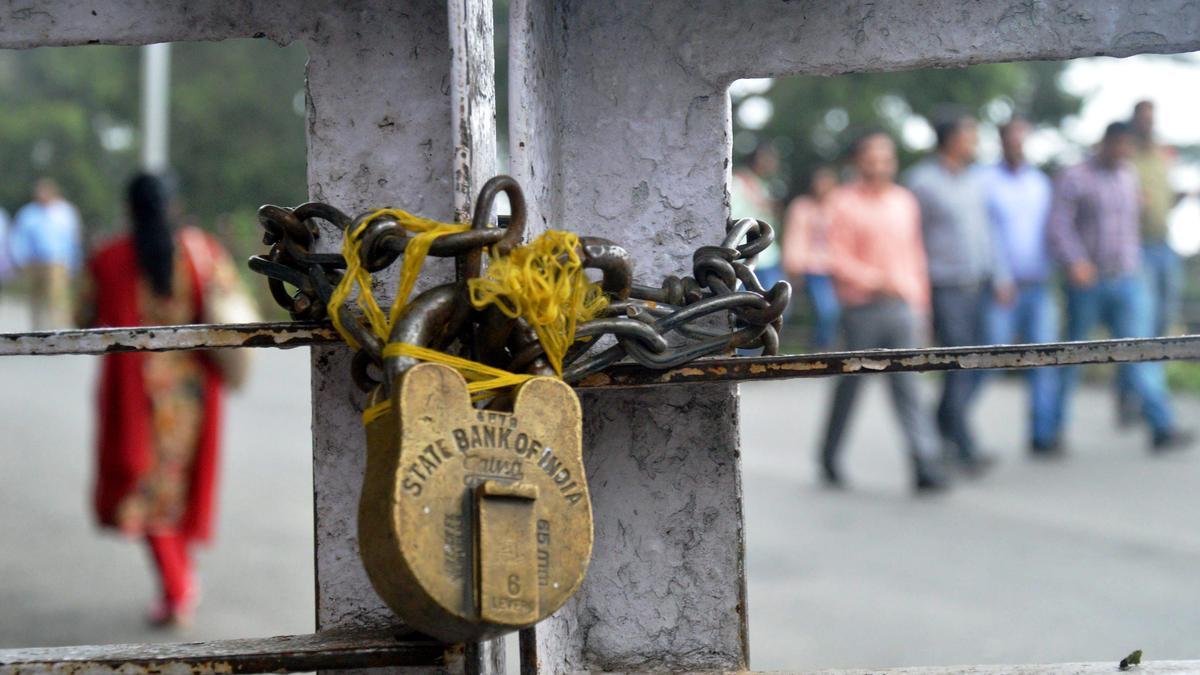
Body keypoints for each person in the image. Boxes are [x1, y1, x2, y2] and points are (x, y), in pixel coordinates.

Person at [77, 174, 246, 627]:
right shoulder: (202, 251)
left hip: (138, 395)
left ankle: (177, 585)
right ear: (173, 206)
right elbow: (229, 304)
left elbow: (82, 316)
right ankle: (181, 578)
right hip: (190, 393)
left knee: (145, 491)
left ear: (130, 209)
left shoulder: (109, 258)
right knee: (175, 488)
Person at [1047, 122, 1192, 452]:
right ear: (1107, 143)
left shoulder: (1128, 176)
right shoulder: (1076, 176)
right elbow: (1059, 225)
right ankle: (1051, 431)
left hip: (1127, 278)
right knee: (1072, 358)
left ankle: (1161, 426)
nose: (1126, 152)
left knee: (1142, 352)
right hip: (1088, 281)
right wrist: (1075, 261)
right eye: (1122, 145)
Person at [818, 131, 948, 493]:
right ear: (858, 161)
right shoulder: (842, 203)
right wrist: (876, 280)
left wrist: (922, 305)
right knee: (850, 387)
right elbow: (836, 258)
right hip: (861, 309)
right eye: (871, 156)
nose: (879, 163)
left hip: (902, 306)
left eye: (885, 156)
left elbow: (915, 256)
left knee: (909, 387)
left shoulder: (904, 201)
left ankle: (925, 463)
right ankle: (830, 454)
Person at [905, 115, 1008, 473]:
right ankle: (964, 444)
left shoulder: (977, 181)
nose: (974, 142)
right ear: (950, 139)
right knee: (959, 365)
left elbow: (987, 232)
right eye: (969, 135)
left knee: (982, 362)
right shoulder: (922, 182)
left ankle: (942, 425)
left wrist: (1000, 275)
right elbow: (910, 238)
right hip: (945, 287)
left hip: (979, 284)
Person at [978, 118, 1062, 457]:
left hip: (1039, 284)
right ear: (1001, 142)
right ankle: (953, 425)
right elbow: (983, 235)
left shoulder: (1040, 183)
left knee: (1046, 360)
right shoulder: (984, 181)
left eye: (1022, 139)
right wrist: (998, 277)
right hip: (1002, 288)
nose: (1017, 144)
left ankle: (1043, 435)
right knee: (986, 360)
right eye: (1011, 139)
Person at [1115, 100, 1185, 426]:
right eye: (1143, 117)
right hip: (1136, 250)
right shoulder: (1126, 157)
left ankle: (1135, 395)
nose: (1148, 123)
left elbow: (1166, 198)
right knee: (1140, 329)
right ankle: (1153, 411)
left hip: (1164, 246)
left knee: (1161, 324)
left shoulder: (1163, 156)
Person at [8, 178, 83, 329]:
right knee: (36, 298)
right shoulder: (28, 213)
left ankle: (58, 328)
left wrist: (74, 262)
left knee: (57, 297)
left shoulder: (64, 212)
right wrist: (20, 260)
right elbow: (18, 238)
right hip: (34, 262)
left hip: (57, 261)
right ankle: (38, 328)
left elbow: (73, 238)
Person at [782, 166, 841, 349]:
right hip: (812, 268)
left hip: (837, 268)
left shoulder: (839, 206)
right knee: (827, 310)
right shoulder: (802, 207)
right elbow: (795, 236)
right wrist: (793, 264)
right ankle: (821, 347)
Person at [732, 144, 784, 289]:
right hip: (744, 258)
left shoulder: (764, 186)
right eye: (768, 158)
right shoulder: (737, 183)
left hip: (768, 258)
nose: (773, 163)